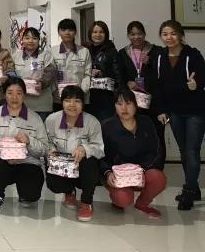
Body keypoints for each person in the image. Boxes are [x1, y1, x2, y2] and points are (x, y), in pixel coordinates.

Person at [153, 20, 205, 210]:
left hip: (195, 111)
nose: (169, 37)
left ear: (181, 35)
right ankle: (194, 188)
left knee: (191, 151)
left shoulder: (193, 54)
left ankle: (189, 191)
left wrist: (196, 84)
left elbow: (202, 77)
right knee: (184, 151)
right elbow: (157, 86)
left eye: (173, 33)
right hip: (174, 112)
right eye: (165, 34)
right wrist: (160, 110)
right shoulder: (160, 57)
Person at [0, 77, 48, 212]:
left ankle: (24, 194)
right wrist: (4, 153)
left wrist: (29, 141)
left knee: (31, 195)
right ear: (4, 94)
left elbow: (44, 149)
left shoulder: (35, 118)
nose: (14, 97)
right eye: (10, 93)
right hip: (2, 161)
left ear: (24, 95)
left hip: (28, 161)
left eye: (19, 93)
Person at [101, 89, 166, 218]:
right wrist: (108, 173)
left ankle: (142, 204)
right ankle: (118, 199)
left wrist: (142, 169)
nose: (124, 108)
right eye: (119, 104)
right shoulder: (107, 126)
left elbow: (154, 150)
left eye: (128, 103)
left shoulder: (146, 122)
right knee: (123, 199)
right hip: (116, 174)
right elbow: (101, 155)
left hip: (140, 171)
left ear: (136, 105)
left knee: (158, 178)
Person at [44, 85, 104, 221]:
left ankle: (86, 202)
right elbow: (46, 141)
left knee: (90, 162)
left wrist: (84, 149)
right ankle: (69, 192)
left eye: (77, 101)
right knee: (54, 184)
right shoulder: (51, 120)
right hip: (61, 165)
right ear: (62, 103)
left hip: (83, 167)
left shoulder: (92, 122)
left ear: (83, 104)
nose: (72, 105)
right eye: (67, 100)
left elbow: (100, 148)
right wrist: (51, 150)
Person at [117, 21, 165, 165]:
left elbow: (163, 75)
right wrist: (127, 83)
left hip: (153, 101)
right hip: (133, 101)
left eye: (139, 34)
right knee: (136, 133)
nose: (136, 37)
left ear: (144, 34)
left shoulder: (157, 51)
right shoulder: (123, 53)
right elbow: (120, 75)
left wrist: (151, 63)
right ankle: (138, 166)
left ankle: (157, 166)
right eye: (132, 34)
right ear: (128, 36)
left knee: (156, 134)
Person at [11, 27, 56, 121]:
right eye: (27, 38)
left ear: (39, 40)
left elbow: (50, 72)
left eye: (34, 38)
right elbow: (11, 74)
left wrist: (42, 83)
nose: (30, 41)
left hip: (42, 104)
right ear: (22, 40)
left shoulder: (46, 55)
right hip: (21, 103)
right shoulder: (15, 56)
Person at [51, 19, 92, 112]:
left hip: (79, 98)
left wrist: (80, 92)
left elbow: (87, 75)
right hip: (58, 98)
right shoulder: (52, 52)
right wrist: (56, 91)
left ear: (75, 32)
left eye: (70, 30)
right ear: (59, 32)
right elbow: (51, 75)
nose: (67, 32)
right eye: (63, 30)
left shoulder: (84, 51)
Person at [86, 21, 121, 122]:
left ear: (106, 34)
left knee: (106, 124)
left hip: (106, 96)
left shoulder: (112, 51)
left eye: (101, 32)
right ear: (90, 34)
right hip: (88, 95)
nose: (98, 35)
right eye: (95, 32)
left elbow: (118, 74)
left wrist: (102, 74)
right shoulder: (85, 50)